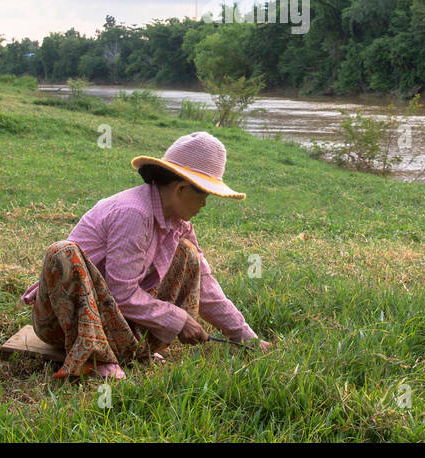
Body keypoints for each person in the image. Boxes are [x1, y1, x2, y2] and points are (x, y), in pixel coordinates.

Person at [21, 130, 273, 379]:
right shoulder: (134, 213)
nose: (204, 204)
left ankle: (131, 348)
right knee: (63, 252)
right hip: (61, 323)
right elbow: (122, 293)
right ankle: (96, 357)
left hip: (113, 318)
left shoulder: (179, 224)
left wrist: (246, 337)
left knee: (188, 254)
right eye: (203, 195)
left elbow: (205, 284)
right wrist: (177, 319)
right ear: (181, 189)